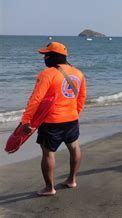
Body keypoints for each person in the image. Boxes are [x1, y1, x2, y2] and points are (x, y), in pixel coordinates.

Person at [20, 42, 86, 196]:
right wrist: (75, 113)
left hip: (51, 123)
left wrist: (26, 121)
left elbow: (35, 100)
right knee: (74, 148)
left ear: (53, 56)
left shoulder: (47, 74)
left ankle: (49, 188)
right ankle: (72, 180)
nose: (45, 58)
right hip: (71, 120)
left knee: (48, 153)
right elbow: (81, 98)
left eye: (46, 55)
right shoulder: (78, 73)